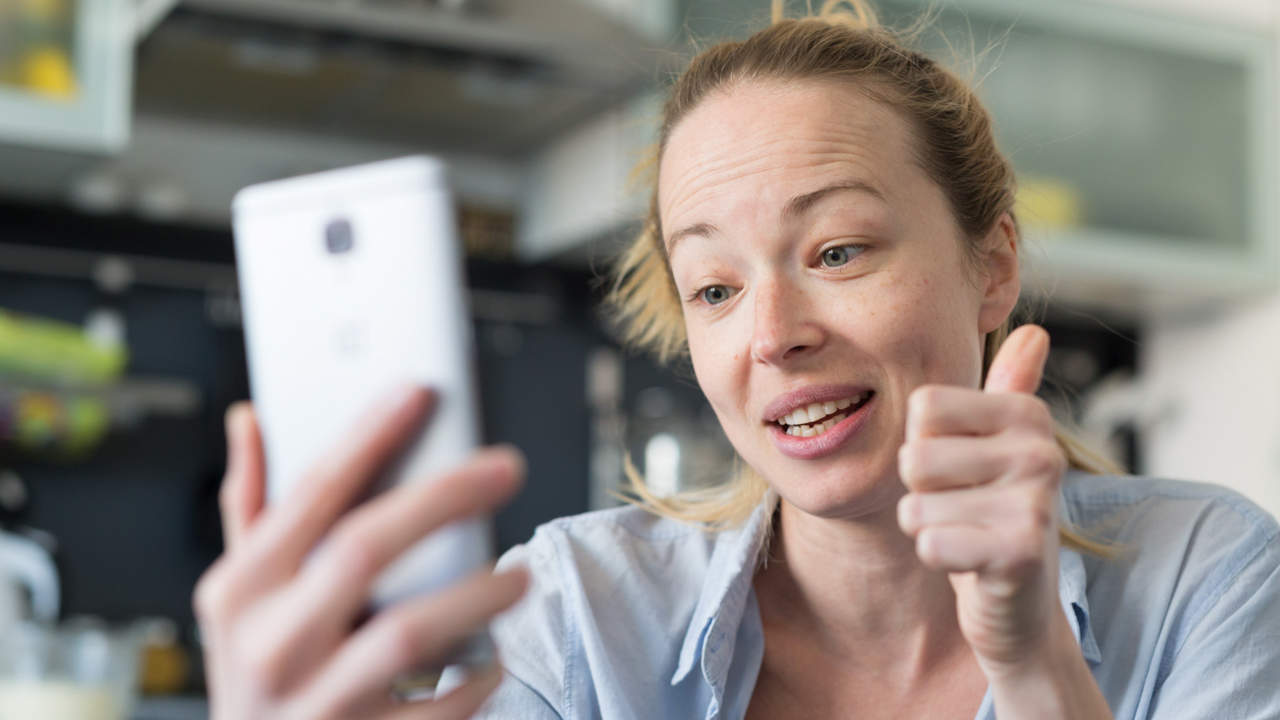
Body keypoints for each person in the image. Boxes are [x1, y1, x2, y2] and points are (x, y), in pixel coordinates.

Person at [195, 2, 1280, 718]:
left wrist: (1034, 658)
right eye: (713, 288)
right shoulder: (577, 609)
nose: (771, 334)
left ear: (989, 266)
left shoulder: (1201, 574)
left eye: (837, 250)